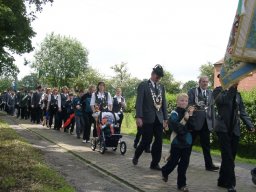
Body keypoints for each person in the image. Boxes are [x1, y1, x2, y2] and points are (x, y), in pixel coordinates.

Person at [213, 82, 255, 192]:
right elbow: (224, 100)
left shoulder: (238, 94)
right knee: (228, 157)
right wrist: (232, 88)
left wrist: (250, 126)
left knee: (230, 157)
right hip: (223, 129)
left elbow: (243, 112)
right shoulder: (218, 91)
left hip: (234, 129)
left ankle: (221, 180)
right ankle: (231, 184)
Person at [132, 64, 168, 170]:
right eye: (157, 76)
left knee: (159, 141)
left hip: (159, 118)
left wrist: (165, 118)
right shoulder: (143, 85)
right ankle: (136, 155)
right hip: (147, 118)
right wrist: (138, 117)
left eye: (160, 77)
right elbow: (139, 102)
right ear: (152, 74)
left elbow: (164, 103)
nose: (159, 78)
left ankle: (154, 163)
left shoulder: (161, 87)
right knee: (146, 140)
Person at [161, 93, 195, 192]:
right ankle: (165, 171)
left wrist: (191, 116)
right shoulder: (174, 113)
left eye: (186, 101)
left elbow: (193, 127)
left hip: (187, 143)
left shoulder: (188, 112)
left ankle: (182, 184)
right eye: (182, 100)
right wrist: (185, 120)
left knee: (184, 165)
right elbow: (176, 128)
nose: (184, 102)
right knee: (173, 162)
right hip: (177, 142)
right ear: (177, 102)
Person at [187, 76, 219, 171]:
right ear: (199, 82)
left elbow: (211, 108)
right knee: (189, 144)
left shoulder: (210, 92)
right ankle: (184, 161)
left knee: (206, 146)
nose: (205, 83)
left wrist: (213, 122)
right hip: (195, 122)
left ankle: (209, 165)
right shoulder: (192, 91)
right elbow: (189, 105)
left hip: (206, 123)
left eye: (206, 82)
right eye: (203, 81)